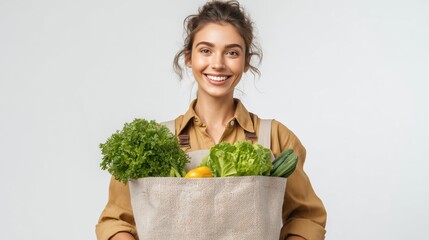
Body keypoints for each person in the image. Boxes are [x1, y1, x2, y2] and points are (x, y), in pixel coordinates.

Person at [96, 1, 327, 239]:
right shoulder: (153, 143)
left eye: (232, 53)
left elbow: (305, 217)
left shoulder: (276, 137)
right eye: (206, 50)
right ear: (188, 57)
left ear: (246, 62)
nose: (217, 63)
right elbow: (115, 221)